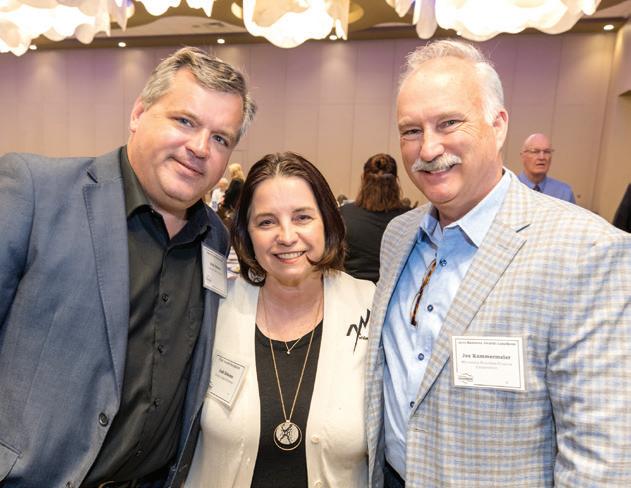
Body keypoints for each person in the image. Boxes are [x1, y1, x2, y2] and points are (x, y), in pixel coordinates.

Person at [365, 39, 631, 487]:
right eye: (411, 131)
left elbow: (601, 457)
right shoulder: (398, 236)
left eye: (449, 123)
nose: (427, 148)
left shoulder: (587, 252)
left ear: (498, 125)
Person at [0, 47, 256, 487]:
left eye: (220, 139)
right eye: (185, 121)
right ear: (139, 113)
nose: (199, 148)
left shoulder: (214, 237)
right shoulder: (37, 192)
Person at [184, 152, 375, 487]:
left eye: (302, 217)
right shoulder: (215, 310)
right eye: (266, 222)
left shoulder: (373, 309)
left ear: (327, 221)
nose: (286, 236)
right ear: (246, 234)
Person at [340, 153, 409, 283]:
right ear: (396, 181)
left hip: (352, 289)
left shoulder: (344, 214)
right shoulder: (410, 219)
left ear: (363, 179)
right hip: (392, 290)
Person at [517, 132, 576, 203]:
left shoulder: (564, 193)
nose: (542, 157)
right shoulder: (508, 188)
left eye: (547, 152)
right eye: (535, 151)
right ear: (523, 156)